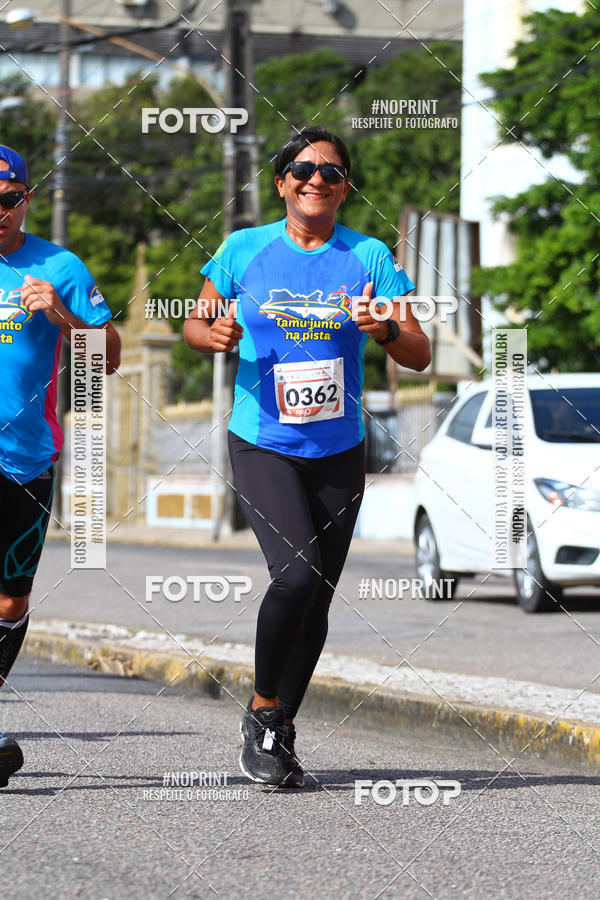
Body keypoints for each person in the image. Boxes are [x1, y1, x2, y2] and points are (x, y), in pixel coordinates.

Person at [184, 127, 431, 787]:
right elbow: (195, 324)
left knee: (317, 596)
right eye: (302, 169)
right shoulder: (243, 248)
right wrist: (213, 333)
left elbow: (418, 351)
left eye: (331, 173)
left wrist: (384, 327)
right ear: (281, 182)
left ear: (345, 189)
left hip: (338, 446)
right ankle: (262, 709)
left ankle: (278, 730)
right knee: (296, 576)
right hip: (263, 439)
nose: (316, 180)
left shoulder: (369, 256)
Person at [0, 145, 121, 786]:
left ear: (27, 199)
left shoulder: (59, 267)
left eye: (8, 199)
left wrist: (61, 315)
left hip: (28, 458)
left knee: (11, 599)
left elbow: (109, 357)